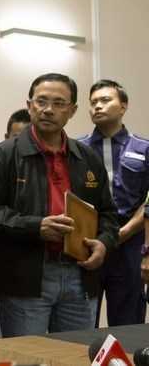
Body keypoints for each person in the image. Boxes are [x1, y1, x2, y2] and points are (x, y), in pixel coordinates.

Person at [0, 73, 119, 337]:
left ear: (72, 110)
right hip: (25, 278)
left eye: (58, 103)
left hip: (80, 276)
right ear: (29, 105)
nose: (48, 110)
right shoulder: (5, 154)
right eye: (41, 101)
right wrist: (36, 227)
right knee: (26, 355)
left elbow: (108, 214)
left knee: (74, 354)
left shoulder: (87, 157)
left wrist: (104, 243)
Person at [79, 79, 149, 326]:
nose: (97, 106)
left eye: (105, 100)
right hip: (88, 242)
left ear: (123, 106)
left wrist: (123, 233)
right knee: (82, 321)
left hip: (130, 243)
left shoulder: (144, 148)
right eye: (93, 102)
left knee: (128, 322)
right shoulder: (78, 148)